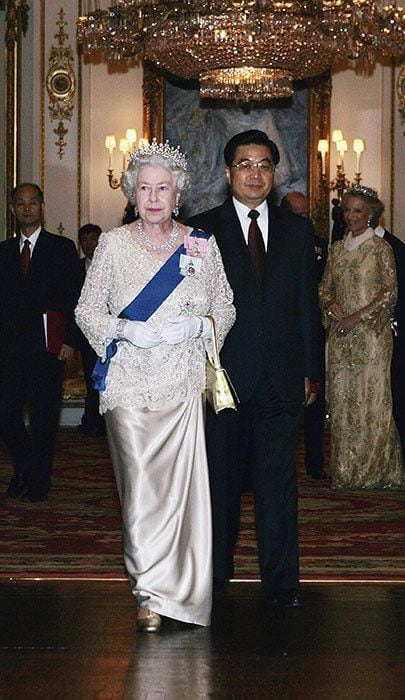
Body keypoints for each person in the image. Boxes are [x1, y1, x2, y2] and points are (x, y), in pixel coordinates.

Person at [75, 139, 235, 632]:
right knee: (142, 490)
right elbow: (86, 310)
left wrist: (200, 326)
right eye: (143, 187)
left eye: (162, 187)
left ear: (177, 193)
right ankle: (147, 591)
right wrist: (124, 329)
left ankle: (184, 593)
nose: (152, 196)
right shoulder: (113, 244)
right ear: (131, 192)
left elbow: (225, 306)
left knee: (182, 495)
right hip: (128, 385)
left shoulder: (200, 246)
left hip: (182, 382)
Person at [186, 130, 320, 608]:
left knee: (278, 485)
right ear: (228, 172)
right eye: (245, 164)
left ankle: (282, 584)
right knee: (220, 484)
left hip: (282, 379)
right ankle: (214, 580)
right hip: (222, 379)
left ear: (274, 172)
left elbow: (307, 305)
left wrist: (311, 370)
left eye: (264, 164)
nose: (255, 173)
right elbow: (191, 304)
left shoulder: (298, 231)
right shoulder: (200, 232)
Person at [319, 184, 405, 490]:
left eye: (357, 211)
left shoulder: (381, 249)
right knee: (343, 402)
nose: (351, 216)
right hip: (341, 337)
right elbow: (324, 289)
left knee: (372, 401)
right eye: (347, 210)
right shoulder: (337, 250)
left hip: (371, 337)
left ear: (371, 215)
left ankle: (375, 472)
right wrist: (331, 306)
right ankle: (347, 471)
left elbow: (390, 293)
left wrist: (358, 316)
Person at [0, 183, 80, 502]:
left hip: (48, 347)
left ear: (42, 207)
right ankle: (25, 466)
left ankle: (38, 481)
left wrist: (71, 340)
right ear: (12, 209)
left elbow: (75, 298)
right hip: (8, 351)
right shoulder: (3, 252)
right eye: (21, 203)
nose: (27, 208)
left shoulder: (61, 248)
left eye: (33, 202)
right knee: (6, 414)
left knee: (45, 418)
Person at [280, 191, 328, 480]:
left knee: (315, 402)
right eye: (298, 214)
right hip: (283, 337)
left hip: (313, 331)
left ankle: (315, 464)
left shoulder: (321, 245)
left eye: (306, 214)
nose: (304, 220)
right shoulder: (275, 243)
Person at [374, 221, 405, 465]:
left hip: (395, 337)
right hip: (373, 339)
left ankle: (403, 456)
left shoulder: (396, 250)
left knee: (396, 398)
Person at [77, 224, 106, 436]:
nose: (89, 245)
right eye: (85, 240)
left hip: (108, 333)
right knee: (91, 377)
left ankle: (104, 422)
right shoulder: (76, 268)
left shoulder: (110, 265)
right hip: (85, 335)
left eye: (93, 239)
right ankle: (91, 420)